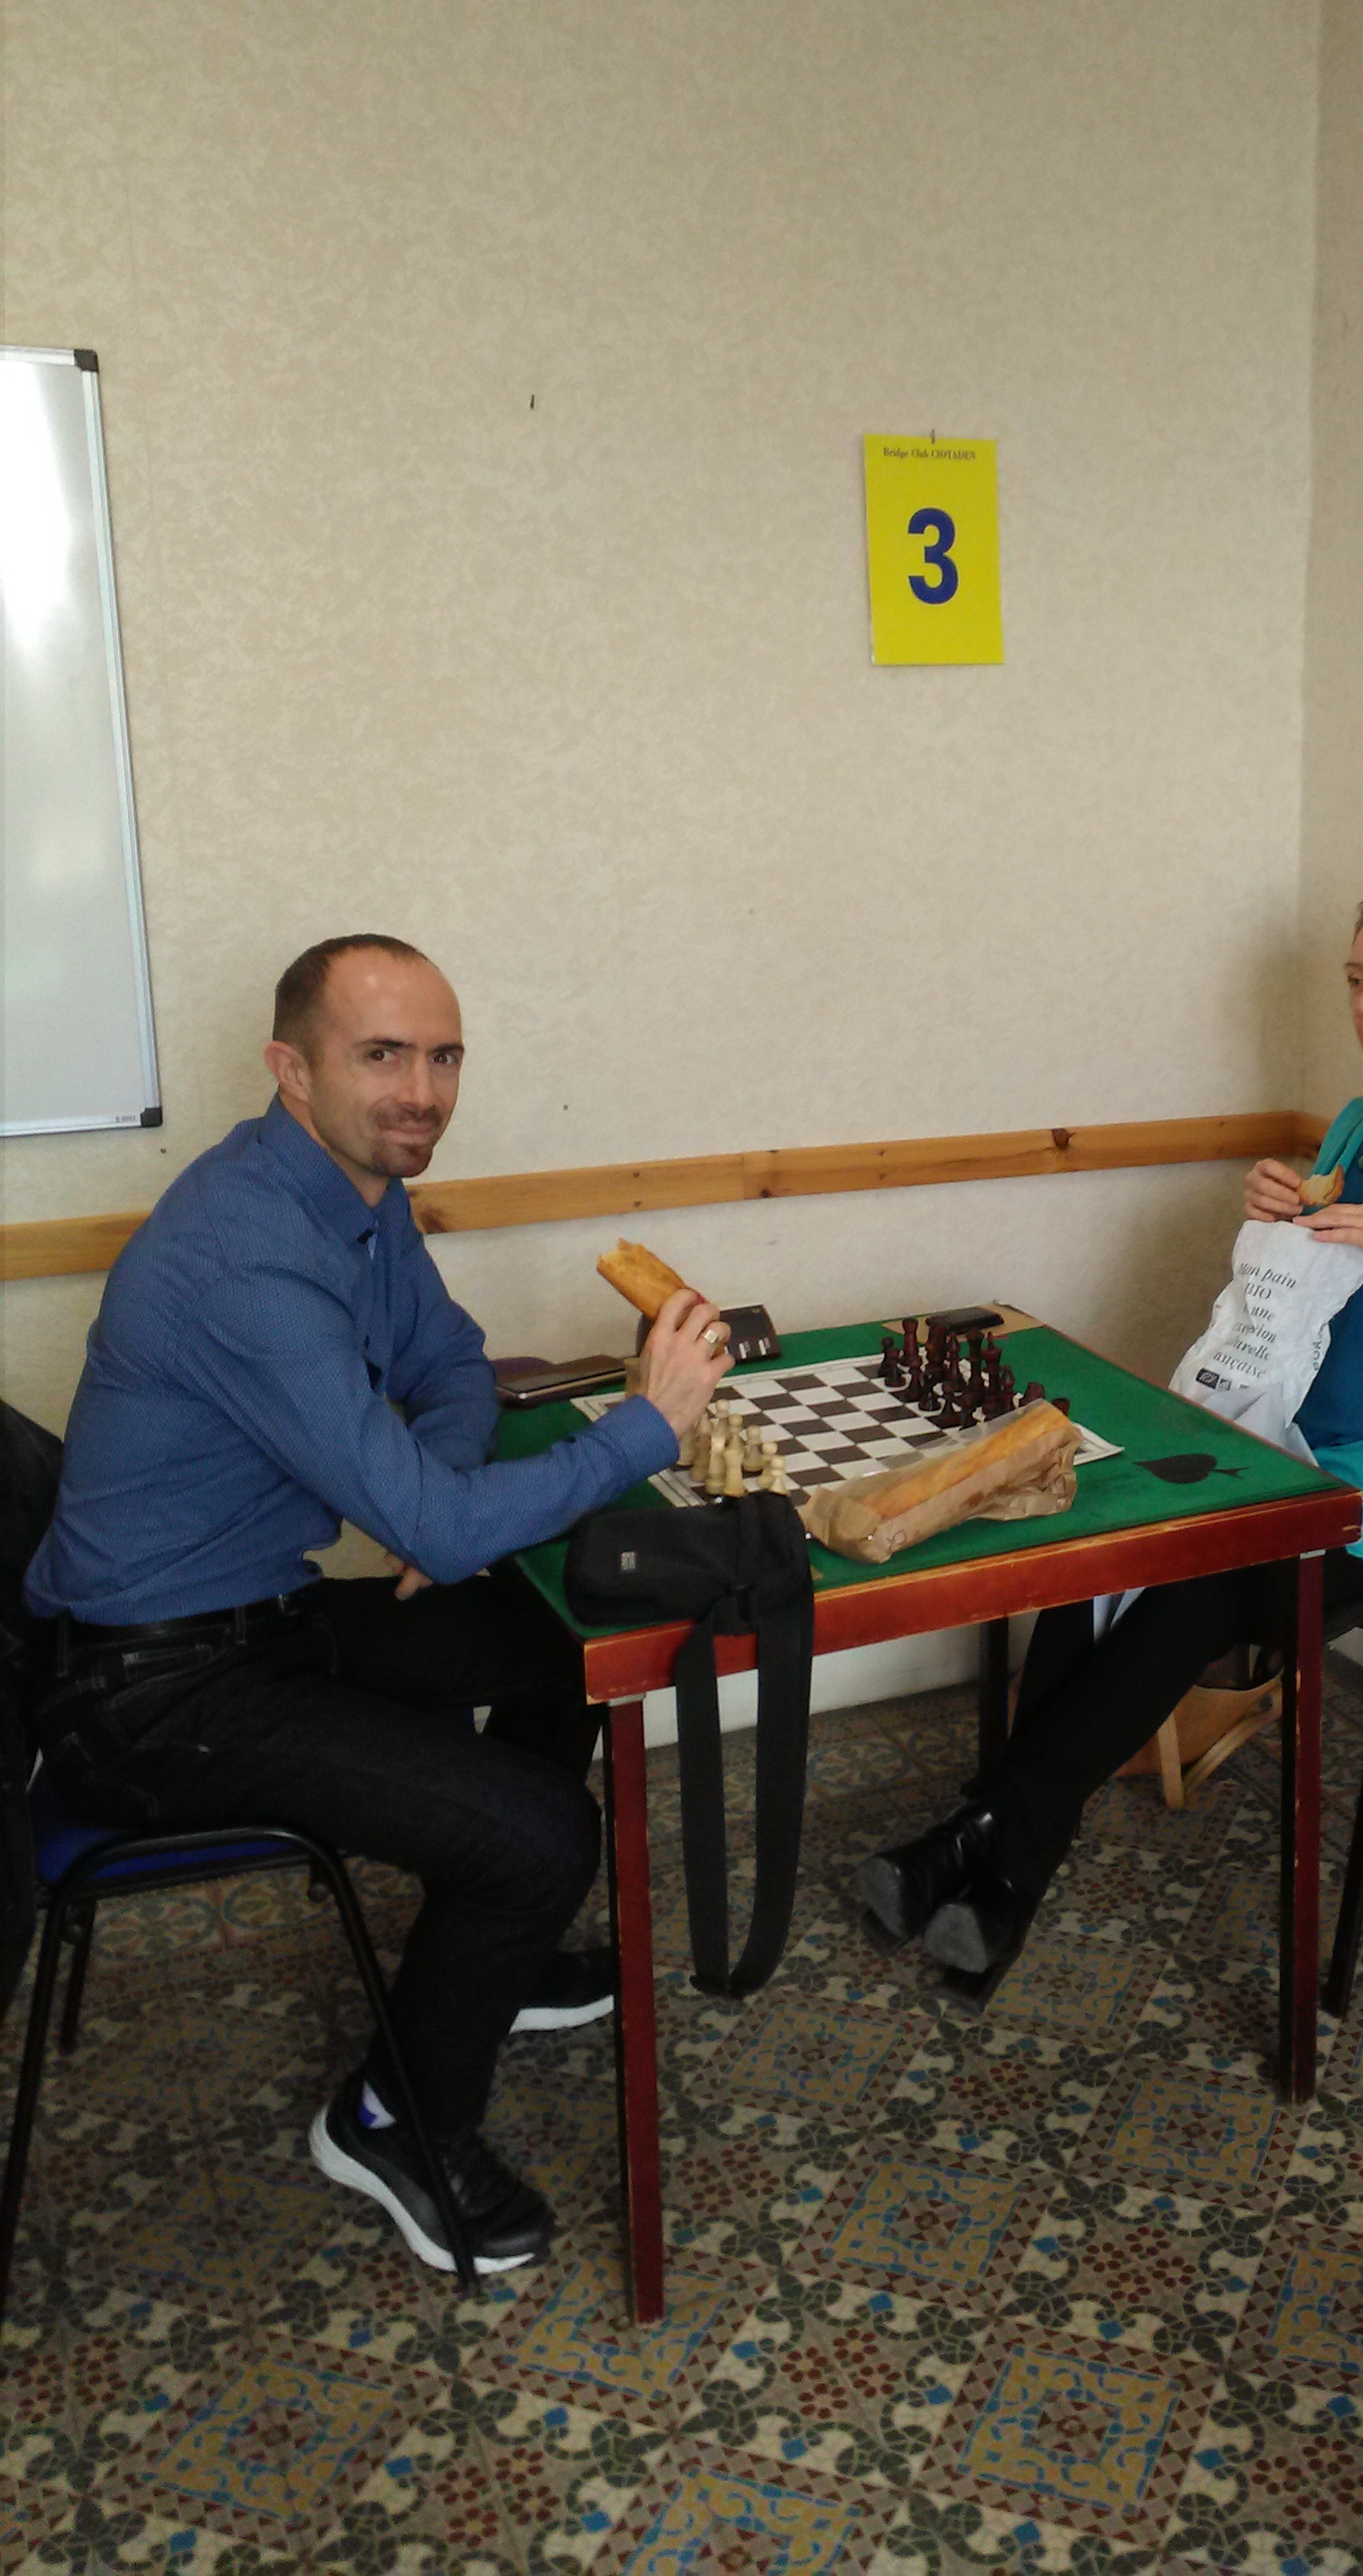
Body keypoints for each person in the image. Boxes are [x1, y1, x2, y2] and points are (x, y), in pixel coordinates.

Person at [25, 935, 731, 2275]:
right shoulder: (243, 1250)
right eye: (382, 1055)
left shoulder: (362, 1193)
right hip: (146, 1692)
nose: (421, 1091)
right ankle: (393, 2119)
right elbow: (441, 1525)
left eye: (443, 1056)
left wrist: (434, 1492)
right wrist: (642, 1429)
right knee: (544, 1833)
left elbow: (450, 1363)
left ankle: (496, 1951)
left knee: (559, 1636)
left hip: (253, 1621)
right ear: (292, 1068)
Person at [854, 872, 1363, 2002]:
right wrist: (1280, 1213)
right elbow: (1307, 1293)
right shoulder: (1360, 1127)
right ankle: (1003, 1867)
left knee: (1207, 1568)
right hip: (1296, 1442)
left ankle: (987, 1842)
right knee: (1108, 1531)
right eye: (1357, 979)